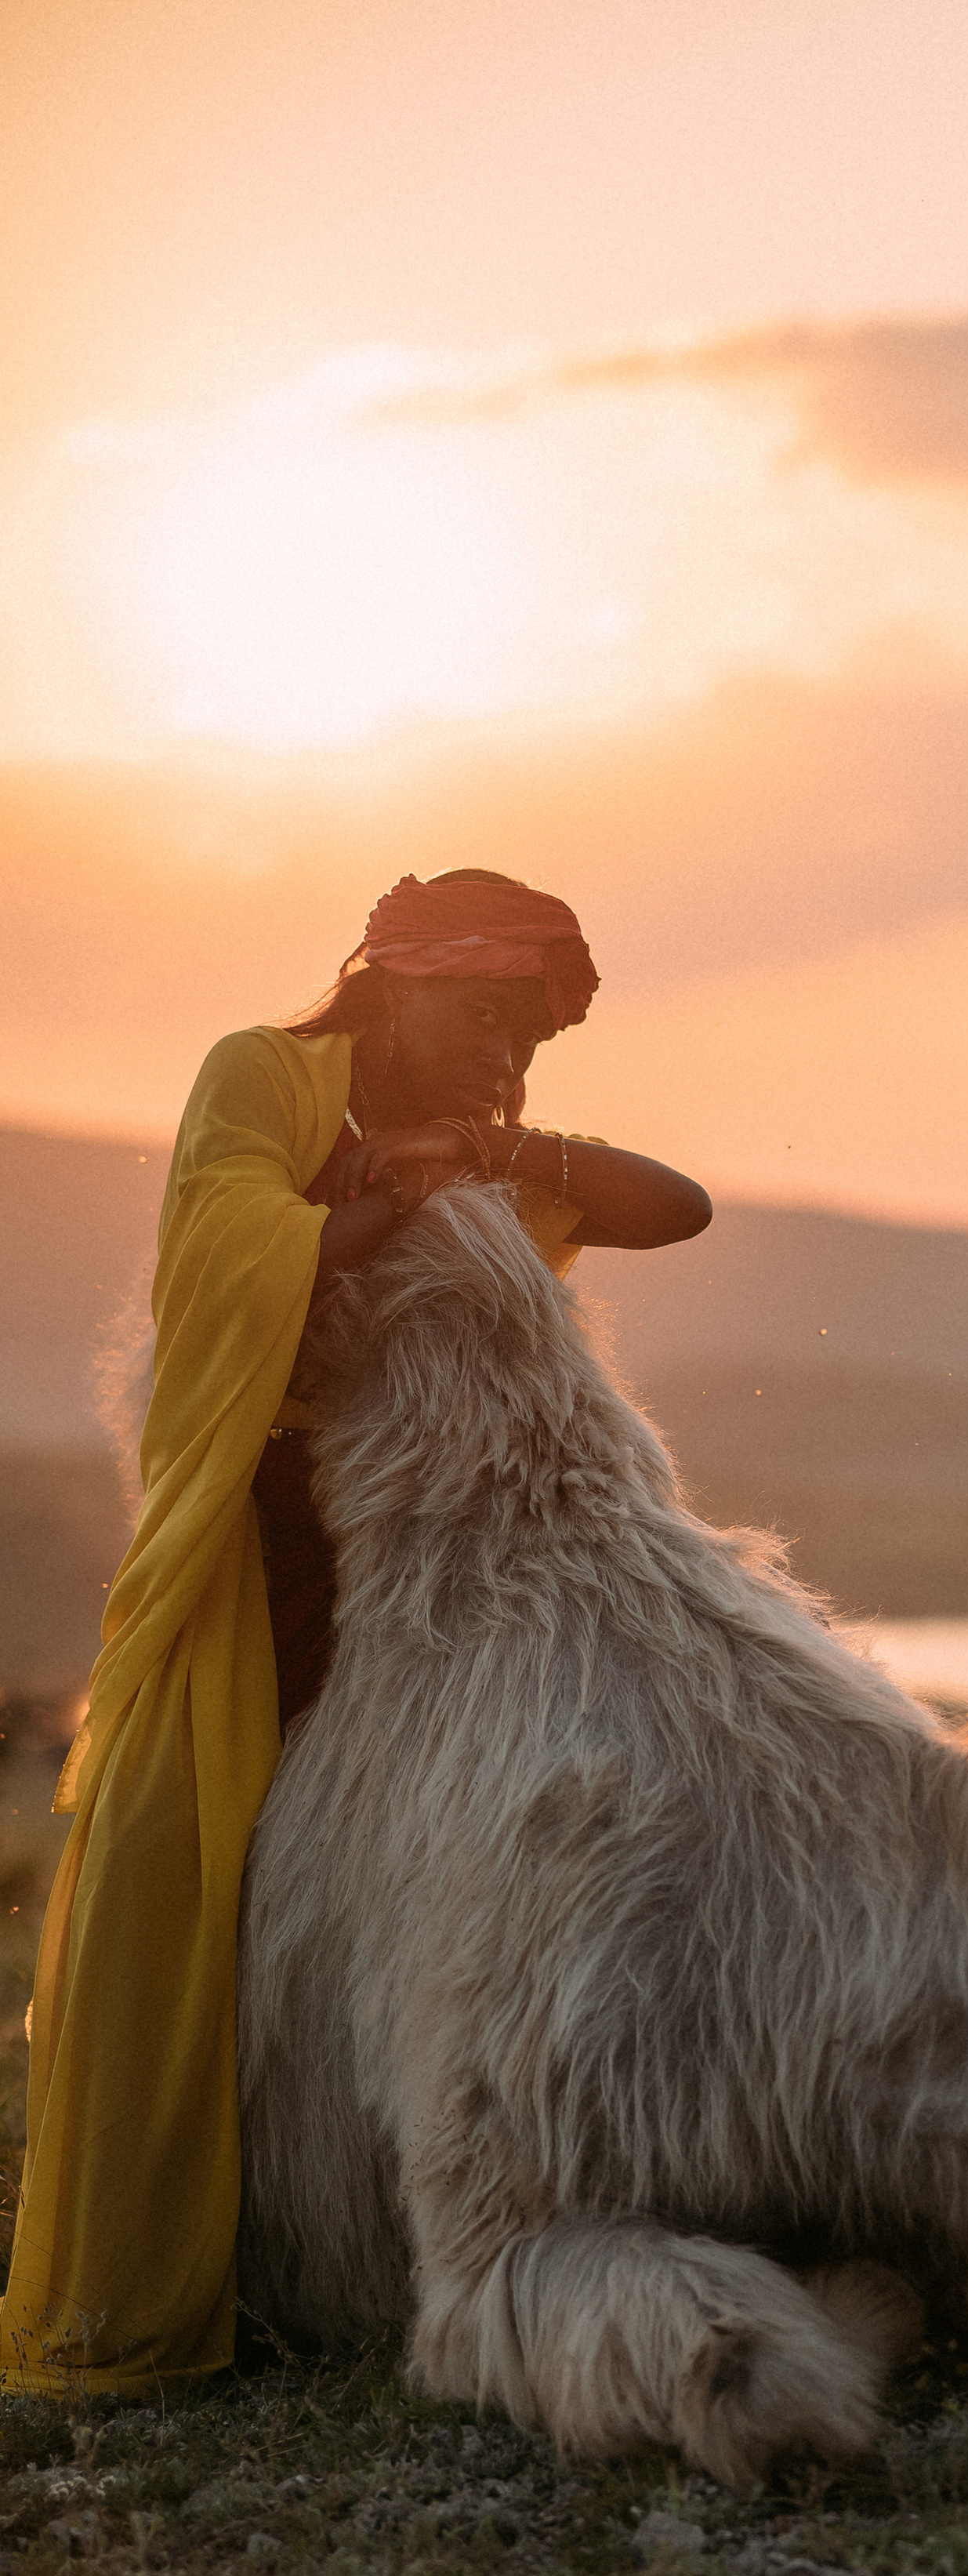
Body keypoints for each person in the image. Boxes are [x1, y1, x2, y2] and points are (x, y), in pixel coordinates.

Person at [4, 869, 710, 2397]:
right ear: (392, 983)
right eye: (487, 1020)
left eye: (530, 1043)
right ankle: (125, 2312)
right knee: (159, 1886)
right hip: (248, 1556)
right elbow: (223, 1248)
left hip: (418, 1580)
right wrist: (389, 1195)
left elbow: (679, 1207)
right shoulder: (260, 1075)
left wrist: (513, 1147)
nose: (506, 1060)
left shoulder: (481, 1150)